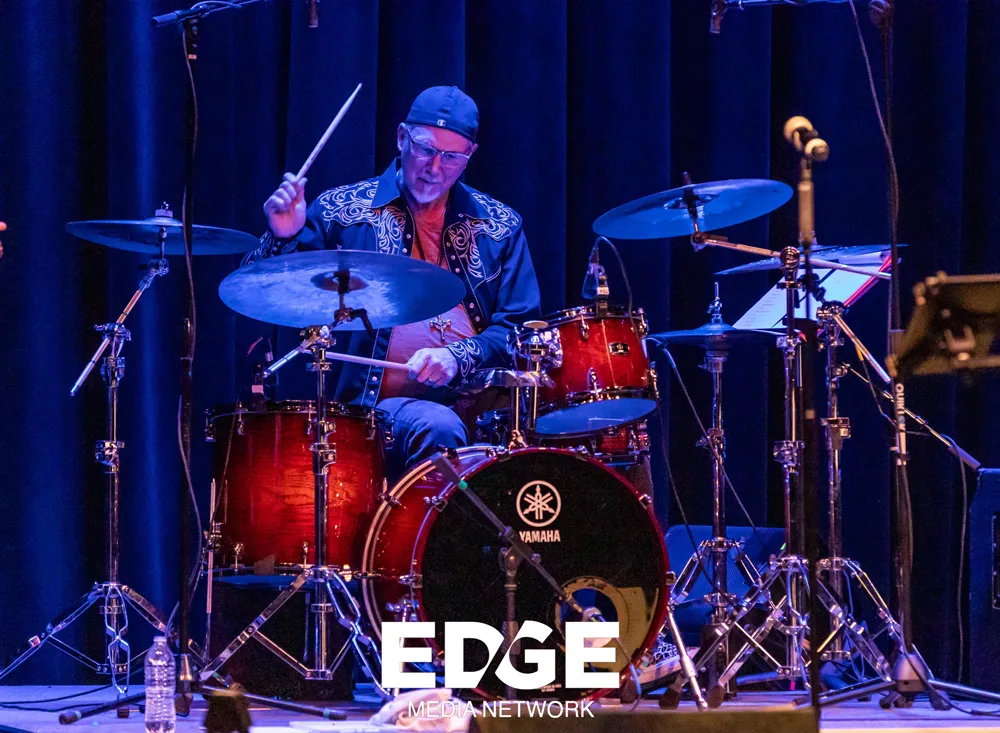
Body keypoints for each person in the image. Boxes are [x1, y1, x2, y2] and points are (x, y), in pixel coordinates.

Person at [245, 86, 542, 477]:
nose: (435, 167)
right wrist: (283, 235)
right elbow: (263, 291)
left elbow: (520, 330)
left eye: (452, 156)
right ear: (402, 137)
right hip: (378, 411)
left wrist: (458, 356)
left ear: (470, 155)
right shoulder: (341, 212)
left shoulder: (499, 225)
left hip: (484, 406)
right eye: (425, 149)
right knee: (439, 426)